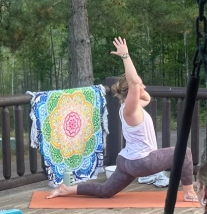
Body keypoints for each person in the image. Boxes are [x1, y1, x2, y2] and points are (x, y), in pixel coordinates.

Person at [45, 37, 198, 202]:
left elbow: (146, 96)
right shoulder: (130, 110)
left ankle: (66, 189)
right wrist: (126, 56)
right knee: (185, 152)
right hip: (141, 162)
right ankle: (189, 193)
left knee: (105, 191)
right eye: (140, 85)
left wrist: (139, 84)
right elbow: (133, 83)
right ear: (131, 91)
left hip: (126, 161)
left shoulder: (128, 107)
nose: (143, 86)